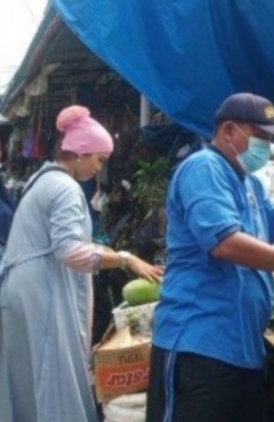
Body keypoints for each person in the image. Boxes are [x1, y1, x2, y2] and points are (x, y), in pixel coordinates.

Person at [146, 93, 274, 422]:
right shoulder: (204, 168)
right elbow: (225, 243)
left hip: (242, 351)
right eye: (262, 137)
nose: (266, 147)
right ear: (229, 130)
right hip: (198, 345)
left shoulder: (250, 183)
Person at [0, 105, 164, 422]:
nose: (98, 168)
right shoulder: (65, 188)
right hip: (41, 292)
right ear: (80, 153)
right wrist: (125, 258)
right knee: (54, 376)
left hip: (23, 289)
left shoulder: (42, 179)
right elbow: (70, 251)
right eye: (99, 160)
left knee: (27, 376)